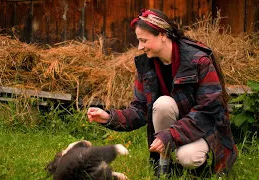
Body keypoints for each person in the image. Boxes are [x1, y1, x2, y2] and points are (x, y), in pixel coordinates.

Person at [87, 9, 238, 178]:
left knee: (187, 157)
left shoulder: (198, 60)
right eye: (138, 40)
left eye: (144, 40)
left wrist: (170, 135)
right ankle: (164, 165)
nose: (140, 47)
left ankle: (198, 170)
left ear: (163, 35)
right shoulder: (146, 65)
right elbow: (140, 109)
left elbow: (209, 110)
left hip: (205, 128)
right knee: (162, 103)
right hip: (177, 128)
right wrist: (108, 117)